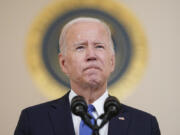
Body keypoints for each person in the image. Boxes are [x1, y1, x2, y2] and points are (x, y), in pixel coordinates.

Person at [14, 17, 161, 135]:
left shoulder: (145, 125)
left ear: (112, 61)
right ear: (64, 63)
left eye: (99, 46)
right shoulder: (33, 121)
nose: (91, 55)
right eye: (80, 47)